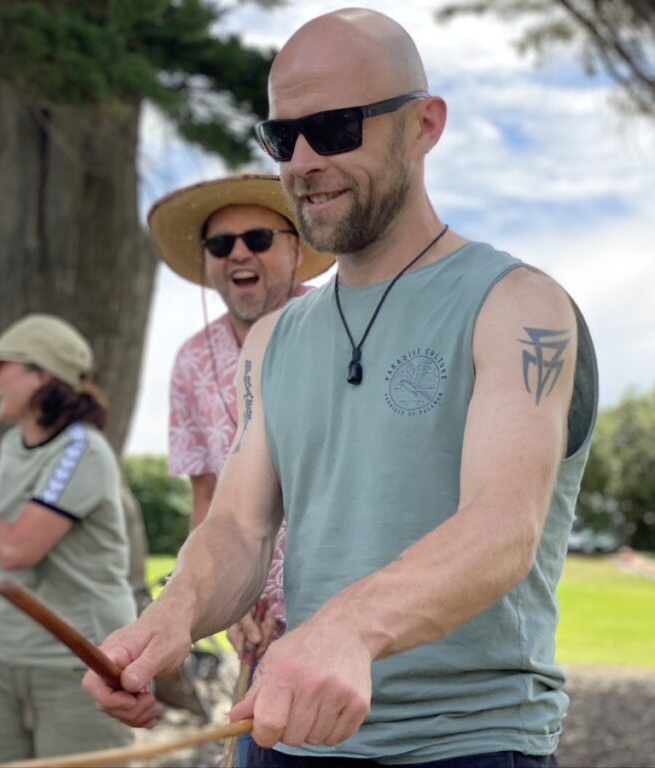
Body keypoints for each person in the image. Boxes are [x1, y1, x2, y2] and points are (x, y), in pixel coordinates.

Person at [84, 9, 598, 768]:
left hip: (471, 745)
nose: (303, 162)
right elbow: (240, 530)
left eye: (336, 128)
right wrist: (171, 616)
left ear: (424, 125)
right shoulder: (271, 342)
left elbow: (502, 528)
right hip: (285, 738)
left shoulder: (519, 306)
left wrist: (348, 627)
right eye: (283, 138)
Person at [150, 174, 333, 763]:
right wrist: (222, 608)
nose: (239, 255)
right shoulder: (188, 362)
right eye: (220, 245)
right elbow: (206, 500)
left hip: (343, 603)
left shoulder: (344, 328)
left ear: (297, 247)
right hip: (253, 613)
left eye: (257, 237)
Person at [0, 314, 156, 766]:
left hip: (78, 670)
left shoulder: (81, 451)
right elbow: (12, 558)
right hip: (6, 660)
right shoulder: (12, 446)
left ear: (40, 374)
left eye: (1, 363)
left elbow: (17, 550)